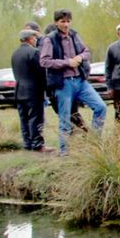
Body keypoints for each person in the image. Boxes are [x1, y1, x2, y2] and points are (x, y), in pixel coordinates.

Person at [40, 9, 106, 155]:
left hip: (80, 81)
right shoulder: (50, 39)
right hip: (63, 83)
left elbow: (86, 51)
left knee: (101, 107)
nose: (66, 24)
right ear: (56, 22)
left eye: (68, 21)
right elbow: (44, 61)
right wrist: (66, 62)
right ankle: (64, 153)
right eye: (63, 21)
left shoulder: (74, 35)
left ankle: (95, 143)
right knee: (65, 120)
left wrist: (80, 58)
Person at [11, 29, 51, 151]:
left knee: (24, 119)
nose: (35, 40)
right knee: (36, 117)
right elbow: (41, 73)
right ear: (29, 39)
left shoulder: (15, 54)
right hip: (33, 91)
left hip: (19, 91)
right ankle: (37, 144)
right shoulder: (34, 52)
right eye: (34, 38)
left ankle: (27, 143)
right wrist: (47, 89)